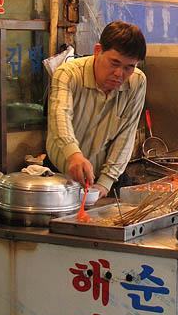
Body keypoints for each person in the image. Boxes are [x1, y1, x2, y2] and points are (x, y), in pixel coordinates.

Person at [46, 21, 146, 198]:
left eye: (129, 67)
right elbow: (59, 117)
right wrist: (74, 155)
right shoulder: (68, 74)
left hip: (110, 180)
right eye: (114, 63)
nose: (119, 74)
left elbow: (126, 134)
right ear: (98, 50)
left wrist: (105, 183)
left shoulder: (137, 82)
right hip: (59, 177)